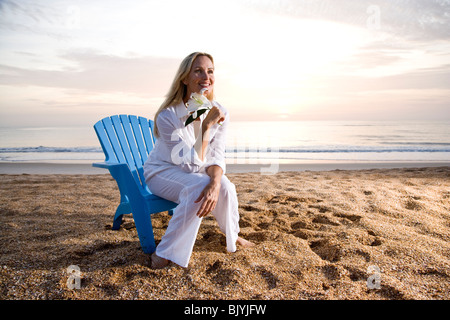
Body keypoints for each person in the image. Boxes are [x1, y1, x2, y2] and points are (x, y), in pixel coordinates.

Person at [143, 52, 254, 269]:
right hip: (162, 171)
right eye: (198, 70)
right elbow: (189, 164)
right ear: (184, 78)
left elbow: (216, 153)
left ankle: (233, 236)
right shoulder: (168, 116)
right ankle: (165, 251)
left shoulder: (219, 111)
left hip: (194, 171)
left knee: (225, 187)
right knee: (198, 188)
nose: (206, 76)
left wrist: (215, 182)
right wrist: (205, 127)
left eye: (210, 71)